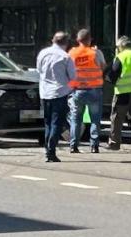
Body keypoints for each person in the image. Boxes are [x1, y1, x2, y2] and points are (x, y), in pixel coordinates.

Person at [37, 32, 76, 163]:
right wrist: (70, 88)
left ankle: (47, 149)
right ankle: (51, 151)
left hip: (44, 93)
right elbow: (73, 77)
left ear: (53, 40)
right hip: (60, 93)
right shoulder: (65, 57)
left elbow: (39, 71)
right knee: (56, 123)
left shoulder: (43, 53)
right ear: (66, 43)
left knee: (47, 122)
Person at [68, 29, 106, 154]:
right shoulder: (96, 53)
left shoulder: (72, 53)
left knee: (76, 119)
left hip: (77, 91)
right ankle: (94, 146)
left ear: (78, 40)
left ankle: (73, 145)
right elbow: (103, 67)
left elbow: (67, 70)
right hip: (94, 90)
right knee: (95, 119)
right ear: (89, 40)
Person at [105, 36, 131, 152]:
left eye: (117, 47)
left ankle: (114, 143)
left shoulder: (121, 57)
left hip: (122, 93)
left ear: (121, 46)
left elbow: (113, 75)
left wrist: (107, 78)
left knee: (117, 119)